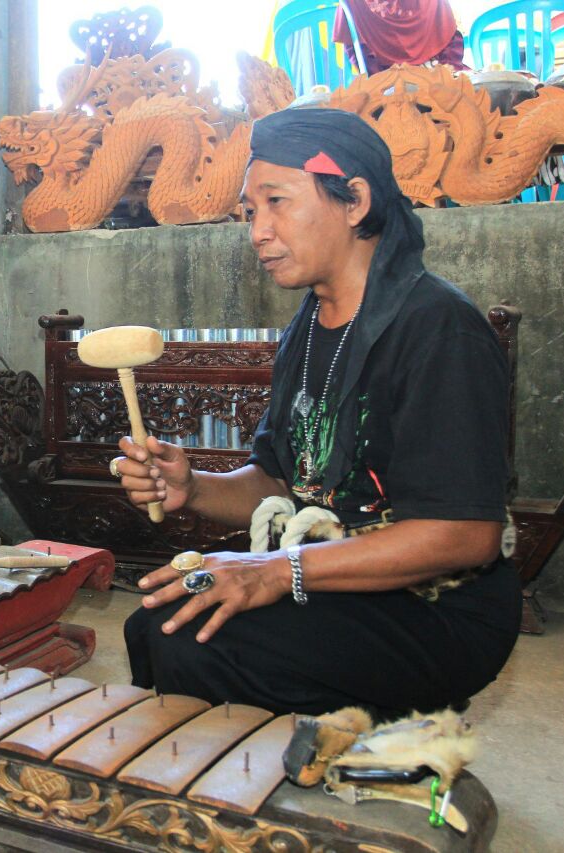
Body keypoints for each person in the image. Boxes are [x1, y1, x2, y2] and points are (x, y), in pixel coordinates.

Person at [113, 109, 520, 718]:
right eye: (252, 212)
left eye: (277, 201)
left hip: (437, 609)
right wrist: (192, 486)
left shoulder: (438, 330)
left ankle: (368, 745)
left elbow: (464, 534)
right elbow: (281, 481)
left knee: (197, 645)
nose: (259, 231)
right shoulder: (310, 326)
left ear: (354, 200)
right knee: (157, 623)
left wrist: (276, 571)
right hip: (336, 580)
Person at [335, 0, 467, 73]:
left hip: (439, 75)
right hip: (389, 90)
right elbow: (359, 54)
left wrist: (446, 69)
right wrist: (387, 82)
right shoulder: (355, 3)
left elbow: (449, 38)